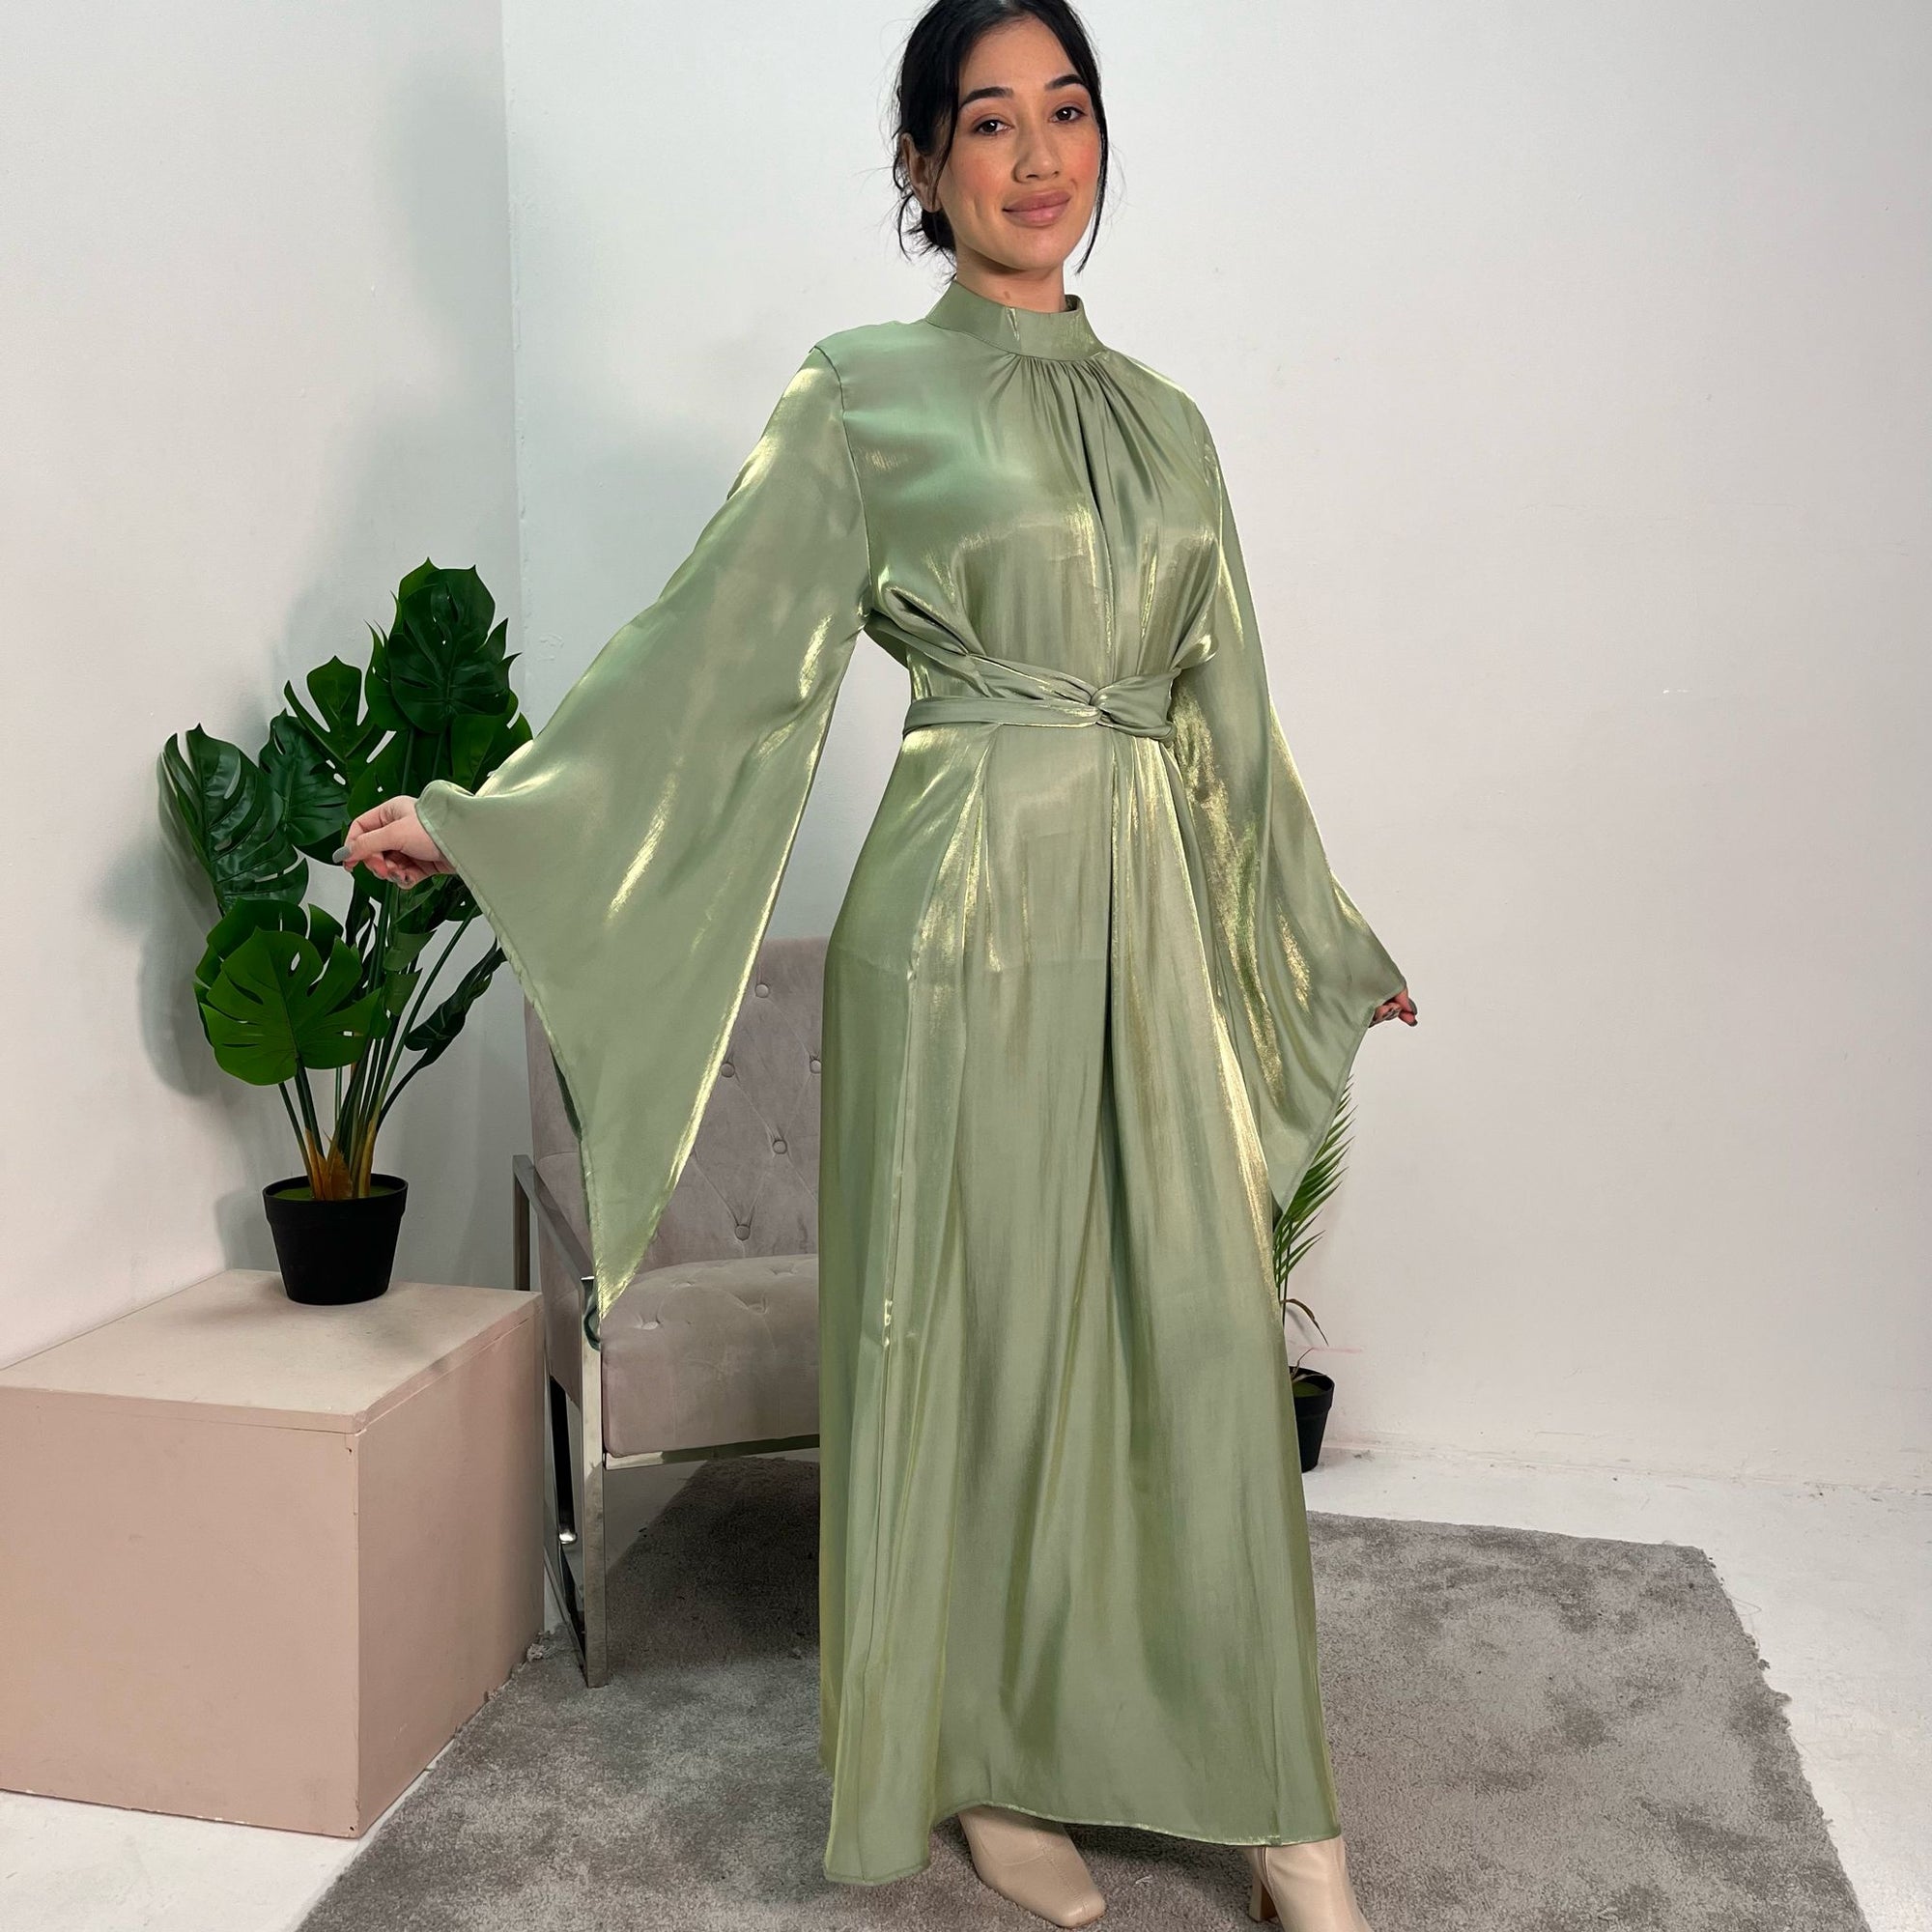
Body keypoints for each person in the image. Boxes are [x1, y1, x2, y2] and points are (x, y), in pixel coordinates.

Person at [339, 2, 1417, 1925]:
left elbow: (1228, 713)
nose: (1037, 155)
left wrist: (1315, 936)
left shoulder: (1171, 424)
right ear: (923, 165)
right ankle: (988, 1762)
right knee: (979, 1348)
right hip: (955, 918)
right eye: (987, 122)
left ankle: (1284, 1813)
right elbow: (711, 657)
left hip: (1144, 916)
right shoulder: (862, 394)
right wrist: (490, 820)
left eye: (1066, 110)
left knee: (1192, 1339)